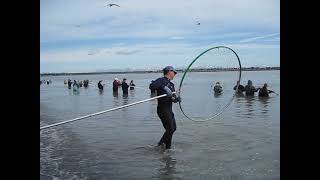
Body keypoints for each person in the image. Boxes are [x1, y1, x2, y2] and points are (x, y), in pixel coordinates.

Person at [149, 66, 181, 150]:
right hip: (162, 109)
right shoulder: (161, 80)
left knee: (173, 128)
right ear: (169, 72)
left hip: (169, 110)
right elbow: (152, 86)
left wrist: (176, 99)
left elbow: (172, 98)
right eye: (174, 72)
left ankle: (167, 148)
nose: (175, 74)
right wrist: (164, 87)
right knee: (170, 129)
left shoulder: (172, 84)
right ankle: (159, 145)